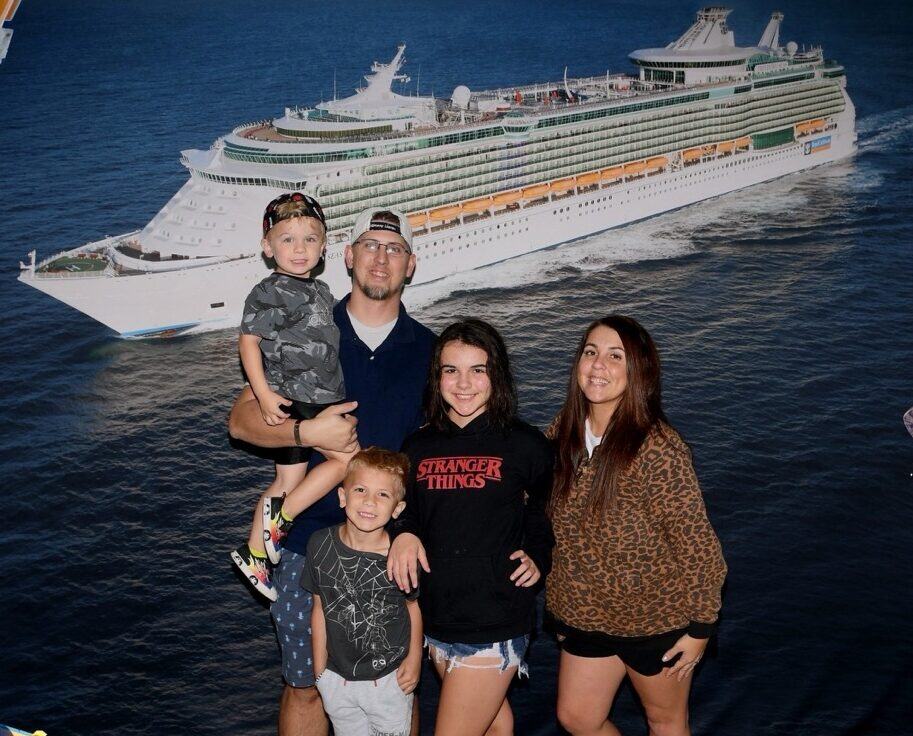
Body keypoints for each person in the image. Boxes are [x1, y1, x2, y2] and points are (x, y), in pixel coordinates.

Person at [228, 207, 435, 736]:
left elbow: (447, 453)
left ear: (410, 265)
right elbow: (242, 419)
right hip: (303, 544)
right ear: (345, 256)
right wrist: (307, 434)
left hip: (390, 549)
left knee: (396, 686)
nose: (380, 257)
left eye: (393, 248)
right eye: (370, 244)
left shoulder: (433, 354)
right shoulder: (307, 316)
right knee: (305, 684)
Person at [545, 315, 727, 736]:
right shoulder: (562, 434)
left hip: (655, 621)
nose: (597, 365)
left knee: (664, 722)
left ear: (637, 371)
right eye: (590, 352)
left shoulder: (658, 448)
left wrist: (701, 628)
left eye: (615, 356)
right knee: (577, 718)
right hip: (585, 614)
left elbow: (696, 542)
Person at [387, 319, 554, 736]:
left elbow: (546, 511)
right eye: (451, 370)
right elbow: (408, 510)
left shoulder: (526, 444)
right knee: (496, 727)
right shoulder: (417, 446)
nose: (464, 384)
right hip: (439, 618)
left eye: (477, 370)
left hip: (495, 620)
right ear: (436, 377)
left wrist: (539, 555)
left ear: (496, 375)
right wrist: (405, 530)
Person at [231, 192, 357, 601]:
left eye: (309, 240)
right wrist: (264, 396)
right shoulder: (270, 291)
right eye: (287, 240)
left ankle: (254, 553)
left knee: (287, 479)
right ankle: (282, 518)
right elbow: (248, 342)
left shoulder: (320, 290)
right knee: (346, 461)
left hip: (317, 394)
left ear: (324, 247)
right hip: (297, 394)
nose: (299, 249)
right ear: (268, 247)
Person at [303, 447, 422, 736]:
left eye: (383, 494)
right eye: (360, 489)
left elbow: (413, 608)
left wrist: (415, 659)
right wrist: (320, 669)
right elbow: (319, 607)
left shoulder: (401, 556)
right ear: (342, 496)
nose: (369, 501)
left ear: (397, 508)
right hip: (336, 680)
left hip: (388, 681)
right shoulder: (319, 544)